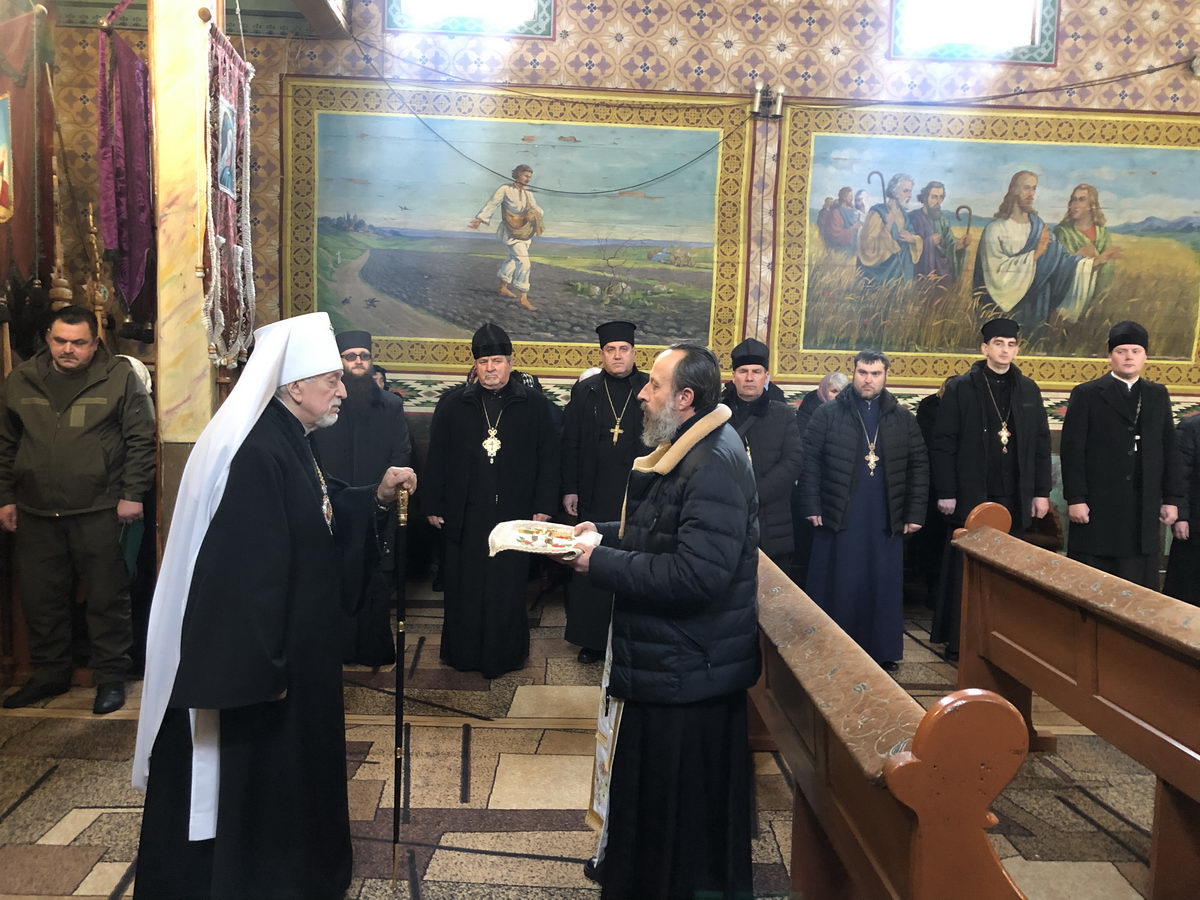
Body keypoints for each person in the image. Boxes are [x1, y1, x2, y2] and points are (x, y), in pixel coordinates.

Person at [133, 312, 417, 898]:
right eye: (332, 380)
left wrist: (376, 495)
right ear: (295, 386)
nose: (343, 391)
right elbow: (243, 577)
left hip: (299, 654)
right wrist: (263, 673)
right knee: (262, 783)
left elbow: (322, 509)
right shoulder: (258, 453)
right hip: (267, 673)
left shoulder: (290, 439)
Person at [559, 342, 760, 900]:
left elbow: (697, 575)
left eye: (654, 385)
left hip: (688, 670)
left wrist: (599, 562)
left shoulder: (712, 462)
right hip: (674, 662)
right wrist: (600, 533)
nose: (643, 395)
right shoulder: (690, 446)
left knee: (678, 819)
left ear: (685, 397)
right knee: (655, 806)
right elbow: (662, 530)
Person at [0, 305, 155, 714]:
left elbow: (141, 439)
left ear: (94, 342)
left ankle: (110, 678)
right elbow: (6, 444)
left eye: (79, 343)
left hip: (100, 507)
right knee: (41, 599)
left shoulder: (118, 377)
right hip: (35, 509)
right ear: (48, 339)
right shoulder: (21, 379)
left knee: (107, 597)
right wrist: (5, 496)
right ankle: (48, 675)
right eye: (60, 341)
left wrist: (133, 493)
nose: (68, 349)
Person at [424, 323, 559, 678]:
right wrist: (433, 503)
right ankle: (463, 653)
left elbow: (549, 458)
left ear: (510, 362)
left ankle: (505, 655)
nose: (490, 369)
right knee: (464, 586)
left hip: (514, 512)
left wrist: (544, 505)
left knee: (506, 588)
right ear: (475, 365)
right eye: (483, 362)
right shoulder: (453, 404)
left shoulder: (534, 404)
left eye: (497, 361)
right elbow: (437, 457)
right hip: (465, 513)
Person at [929, 318, 1052, 654]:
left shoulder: (1028, 389)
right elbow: (943, 443)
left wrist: (1041, 492)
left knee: (1007, 568)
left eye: (1011, 344)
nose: (1005, 350)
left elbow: (1041, 444)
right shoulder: (961, 388)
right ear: (985, 348)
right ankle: (960, 641)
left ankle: (1003, 641)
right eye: (998, 343)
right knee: (967, 566)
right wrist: (946, 491)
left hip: (1014, 493)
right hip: (971, 492)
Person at [799, 349, 928, 669]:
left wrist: (914, 513)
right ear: (854, 373)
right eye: (862, 373)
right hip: (839, 512)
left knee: (880, 582)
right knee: (840, 581)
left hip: (884, 515)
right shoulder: (828, 414)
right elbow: (810, 461)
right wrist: (812, 504)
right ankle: (831, 646)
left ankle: (880, 650)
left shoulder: (902, 417)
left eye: (875, 374)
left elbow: (918, 466)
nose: (868, 380)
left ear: (885, 376)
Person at [312, 330, 412, 666]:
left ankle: (372, 649)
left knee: (376, 580)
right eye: (350, 356)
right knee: (334, 577)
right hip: (334, 506)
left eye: (364, 356)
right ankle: (336, 650)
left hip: (377, 506)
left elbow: (401, 453)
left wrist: (384, 491)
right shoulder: (324, 404)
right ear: (339, 361)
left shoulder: (391, 405)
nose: (358, 362)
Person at [1060, 321, 1182, 588]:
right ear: (1110, 356)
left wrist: (1171, 499)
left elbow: (1169, 449)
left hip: (1142, 504)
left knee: (1137, 582)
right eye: (1122, 351)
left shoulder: (1156, 394)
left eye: (1136, 351)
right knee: (1094, 583)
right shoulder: (1087, 393)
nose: (1129, 357)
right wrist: (1076, 498)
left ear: (1145, 356)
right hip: (1099, 504)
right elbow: (1072, 450)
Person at [560, 320, 649, 664]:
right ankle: (593, 639)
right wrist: (570, 488)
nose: (617, 355)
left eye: (623, 349)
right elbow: (571, 443)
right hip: (594, 490)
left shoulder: (648, 388)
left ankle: (632, 637)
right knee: (592, 559)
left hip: (636, 490)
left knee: (633, 561)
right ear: (601, 354)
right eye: (610, 350)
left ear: (634, 353)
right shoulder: (587, 390)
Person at [974, 170, 1093, 336]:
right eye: (1026, 188)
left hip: (1037, 309)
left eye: (1034, 188)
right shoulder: (995, 229)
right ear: (1014, 190)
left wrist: (1086, 263)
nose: (1031, 194)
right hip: (1004, 312)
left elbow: (1060, 260)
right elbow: (995, 274)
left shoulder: (1039, 226)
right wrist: (1036, 254)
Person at [721, 338, 803, 570]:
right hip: (727, 512)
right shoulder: (717, 414)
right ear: (733, 376)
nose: (749, 378)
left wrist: (756, 493)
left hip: (772, 517)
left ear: (766, 377)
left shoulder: (783, 414)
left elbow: (793, 461)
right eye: (743, 371)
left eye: (756, 372)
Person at [792, 371, 848, 586]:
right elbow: (807, 452)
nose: (838, 396)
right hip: (816, 488)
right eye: (833, 391)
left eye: (842, 392)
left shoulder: (851, 412)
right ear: (824, 391)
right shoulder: (810, 410)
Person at [468, 163, 543, 311]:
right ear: (517, 174)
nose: (528, 179)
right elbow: (492, 204)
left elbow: (536, 208)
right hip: (510, 231)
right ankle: (523, 297)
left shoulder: (528, 193)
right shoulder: (505, 189)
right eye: (525, 176)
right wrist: (479, 219)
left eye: (529, 177)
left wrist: (534, 213)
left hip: (524, 231)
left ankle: (503, 287)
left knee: (512, 259)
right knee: (524, 263)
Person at [1053, 182, 1121, 320]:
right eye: (1073, 199)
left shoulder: (1102, 233)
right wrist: (1095, 260)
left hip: (1097, 301)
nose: (1075, 204)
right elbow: (1060, 267)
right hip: (1068, 301)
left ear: (1091, 205)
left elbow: (1108, 269)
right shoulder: (1062, 232)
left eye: (1081, 199)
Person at [857, 173, 923, 283]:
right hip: (883, 276)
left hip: (903, 274)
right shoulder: (877, 213)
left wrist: (912, 239)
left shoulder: (904, 215)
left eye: (910, 191)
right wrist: (887, 226)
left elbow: (913, 237)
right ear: (894, 192)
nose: (910, 195)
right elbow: (867, 247)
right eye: (906, 191)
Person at [1164, 413, 1200, 605]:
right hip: (1194, 525)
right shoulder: (1191, 427)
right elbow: (1179, 476)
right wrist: (1181, 516)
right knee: (1187, 592)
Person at [910, 181, 968, 283]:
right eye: (934, 197)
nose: (938, 201)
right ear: (925, 198)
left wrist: (960, 245)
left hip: (942, 276)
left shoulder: (943, 220)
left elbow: (950, 243)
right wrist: (929, 242)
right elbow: (908, 248)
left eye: (941, 197)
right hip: (920, 274)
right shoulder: (913, 218)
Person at [817, 188, 861, 255]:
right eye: (850, 196)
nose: (852, 198)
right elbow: (835, 234)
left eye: (852, 196)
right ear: (844, 197)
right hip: (842, 250)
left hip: (855, 247)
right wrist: (853, 228)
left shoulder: (854, 211)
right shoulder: (836, 212)